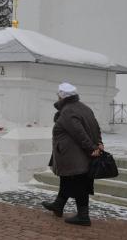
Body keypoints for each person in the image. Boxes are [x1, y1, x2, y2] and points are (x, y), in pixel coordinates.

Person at [42, 82, 104, 226]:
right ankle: (58, 205)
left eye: (58, 95)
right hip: (74, 154)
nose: (57, 97)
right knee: (67, 180)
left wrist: (91, 148)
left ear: (62, 96)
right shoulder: (84, 108)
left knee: (79, 184)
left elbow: (79, 133)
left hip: (74, 155)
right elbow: (96, 127)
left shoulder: (68, 111)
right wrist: (99, 144)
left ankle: (83, 216)